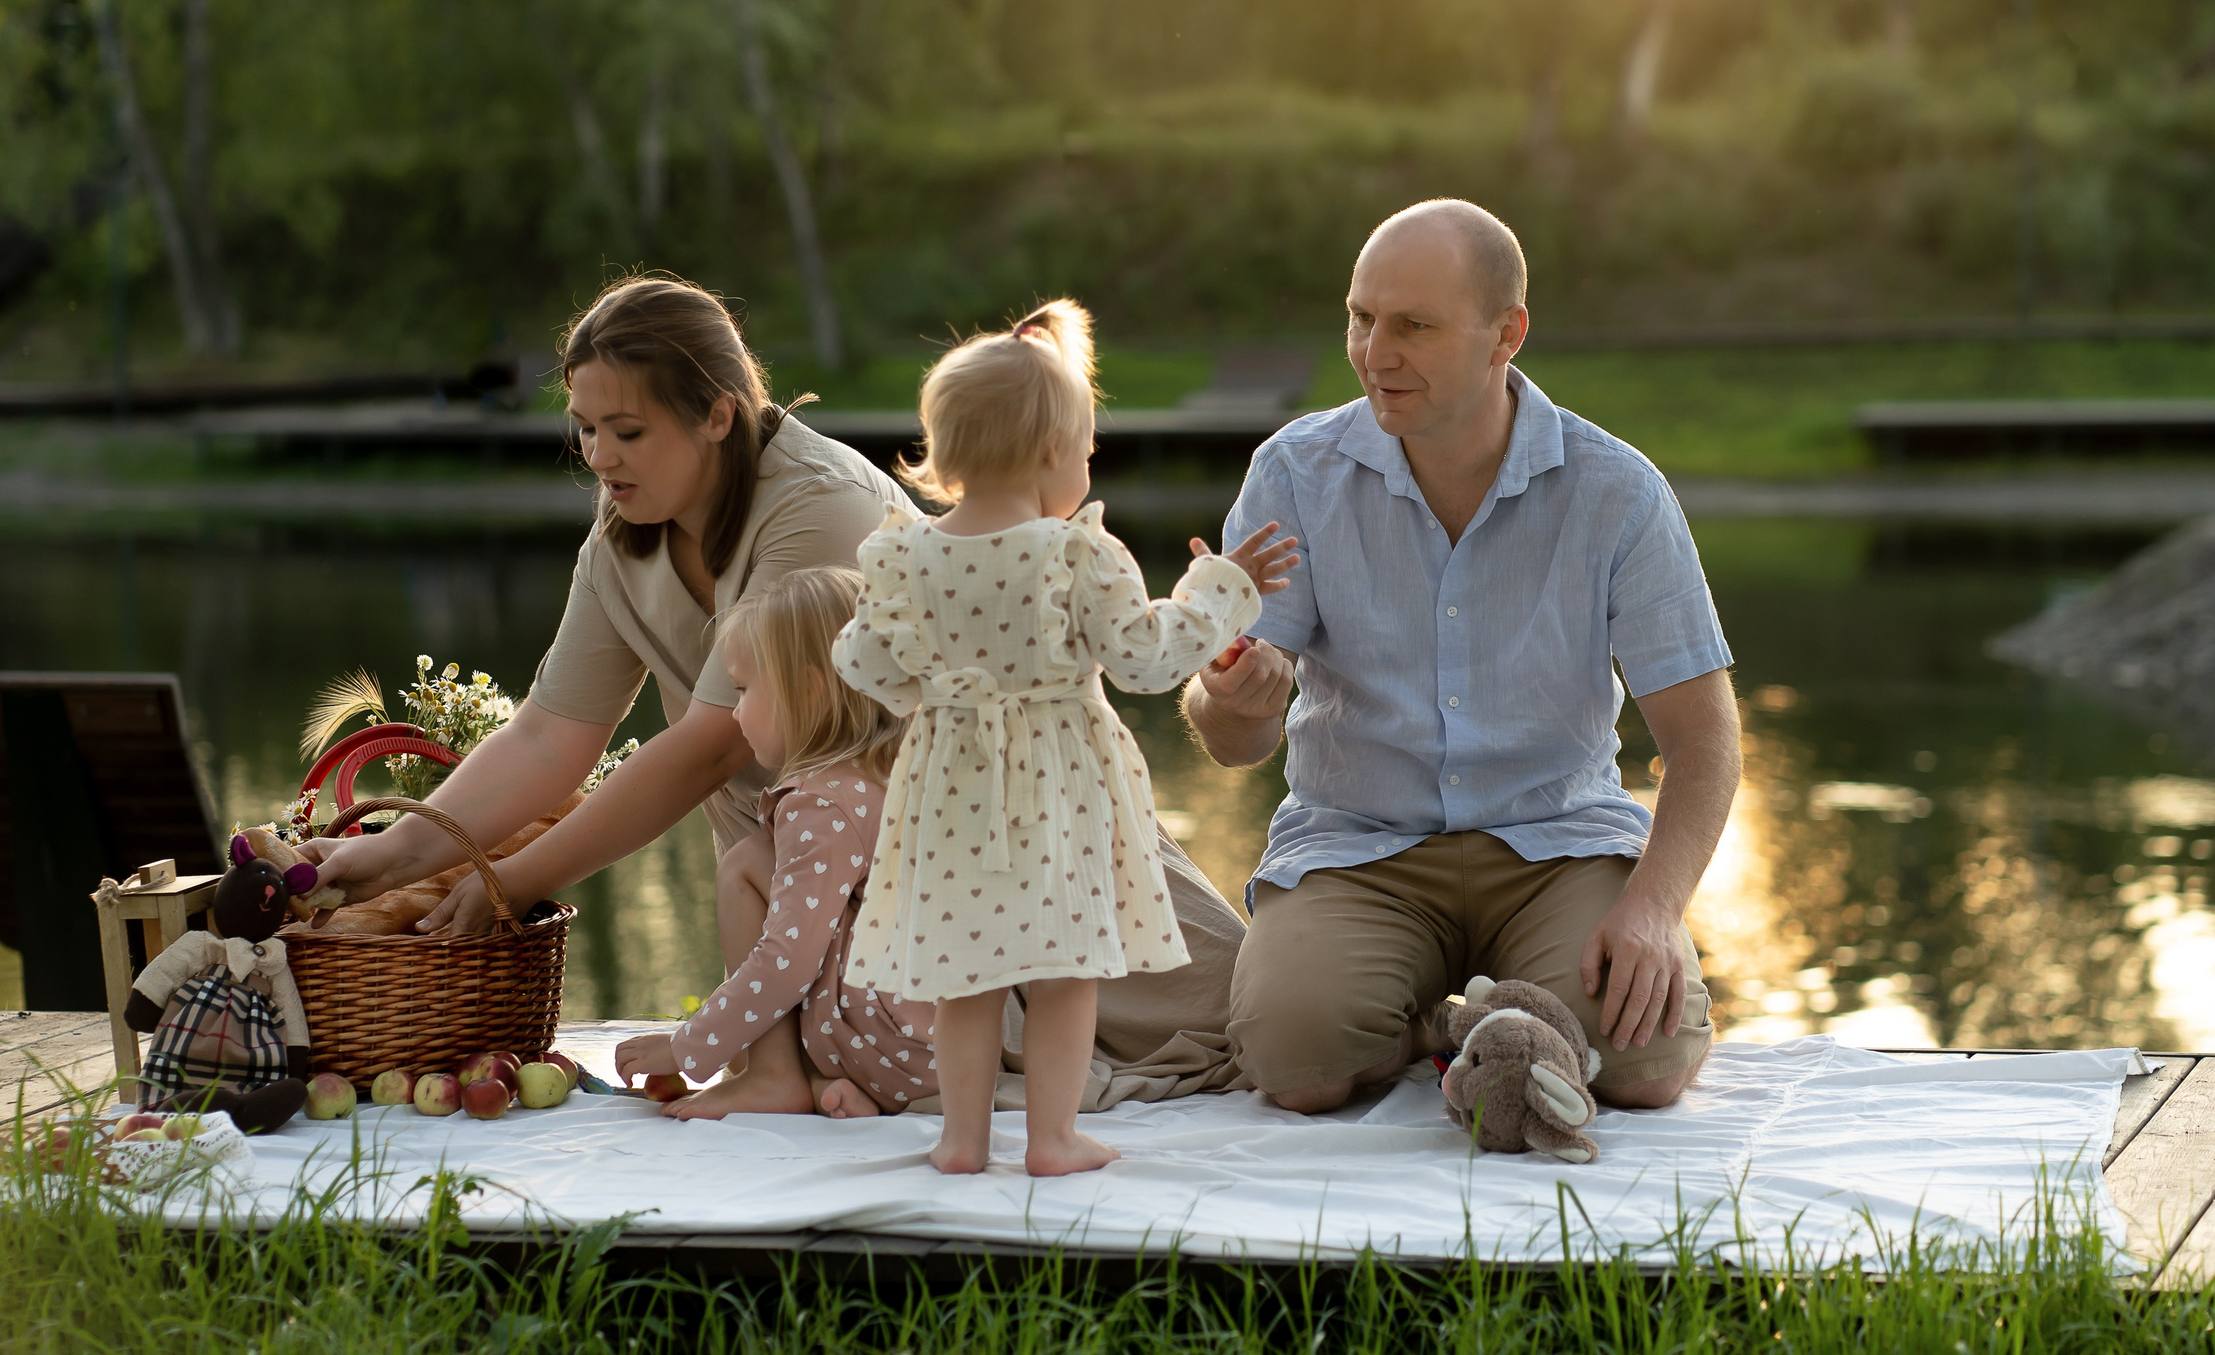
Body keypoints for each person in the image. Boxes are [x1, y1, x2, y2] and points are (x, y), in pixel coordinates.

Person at [309, 273, 1262, 1105]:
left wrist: (513, 881)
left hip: (1002, 831)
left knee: (1247, 1020)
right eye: (586, 429)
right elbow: (551, 734)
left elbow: (715, 743)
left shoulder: (820, 505)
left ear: (718, 414)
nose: (599, 456)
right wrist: (393, 855)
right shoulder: (620, 541)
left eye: (628, 431)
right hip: (815, 880)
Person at [1184, 200, 1742, 1116]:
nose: (1375, 352)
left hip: (1558, 843)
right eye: (1361, 318)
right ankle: (1443, 1028)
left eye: (1414, 326)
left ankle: (1494, 1013)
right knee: (1296, 1065)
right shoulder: (1293, 473)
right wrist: (1233, 698)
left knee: (1643, 1066)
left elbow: (1705, 741)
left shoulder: (1618, 491)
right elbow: (1233, 742)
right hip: (1361, 845)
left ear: (1506, 334)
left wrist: (1651, 908)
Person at [832, 300, 1296, 1176]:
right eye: (1086, 449)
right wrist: (1219, 587)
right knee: (1065, 969)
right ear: (1052, 451)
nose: (1088, 464)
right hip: (1058, 785)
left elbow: (863, 664)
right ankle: (1052, 1138)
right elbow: (1147, 659)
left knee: (965, 972)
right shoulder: (1076, 553)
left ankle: (961, 1140)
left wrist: (942, 686)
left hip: (948, 783)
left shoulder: (903, 557)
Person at [614, 566, 941, 1121]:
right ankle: (826, 1084)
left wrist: (687, 1045)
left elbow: (788, 960)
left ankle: (773, 1076)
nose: (736, 710)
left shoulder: (821, 804)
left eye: (743, 689)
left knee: (744, 864)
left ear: (809, 691)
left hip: (895, 1048)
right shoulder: (901, 771)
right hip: (945, 1042)